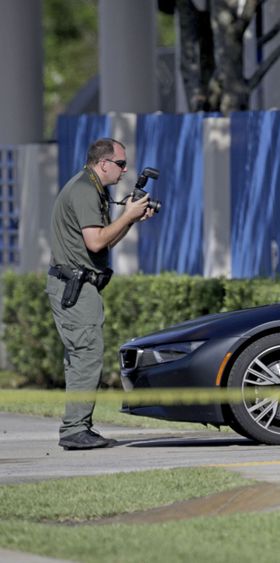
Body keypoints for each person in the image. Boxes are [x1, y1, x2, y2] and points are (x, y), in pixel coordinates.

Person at [48, 138, 154, 450]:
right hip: (74, 287)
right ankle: (74, 430)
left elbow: (105, 242)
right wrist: (127, 216)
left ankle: (77, 427)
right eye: (120, 164)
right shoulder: (83, 190)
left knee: (83, 356)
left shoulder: (94, 188)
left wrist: (130, 220)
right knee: (87, 356)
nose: (124, 170)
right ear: (103, 163)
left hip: (82, 285)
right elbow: (95, 242)